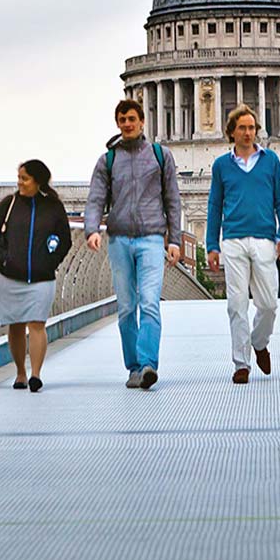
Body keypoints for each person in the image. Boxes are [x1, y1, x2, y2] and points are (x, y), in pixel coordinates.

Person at [83, 98, 183, 389]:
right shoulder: (107, 160)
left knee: (150, 302)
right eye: (122, 119)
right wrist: (92, 229)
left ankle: (149, 363)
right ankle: (134, 367)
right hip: (119, 240)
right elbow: (95, 199)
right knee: (127, 307)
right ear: (118, 123)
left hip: (152, 238)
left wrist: (174, 240)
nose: (127, 124)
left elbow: (172, 201)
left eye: (131, 119)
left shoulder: (160, 156)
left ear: (142, 122)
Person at [206, 106, 280, 383]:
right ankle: (241, 364)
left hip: (264, 238)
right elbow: (214, 206)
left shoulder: (271, 161)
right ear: (231, 132)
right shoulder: (221, 165)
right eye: (242, 128)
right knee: (236, 304)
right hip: (232, 239)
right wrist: (212, 244)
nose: (247, 133)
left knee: (268, 304)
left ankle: (259, 341)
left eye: (252, 127)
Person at [0, 159, 72, 393]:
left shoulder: (53, 207)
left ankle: (35, 374)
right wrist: (4, 258)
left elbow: (65, 239)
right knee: (15, 325)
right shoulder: (9, 203)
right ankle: (20, 372)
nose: (19, 182)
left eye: (25, 178)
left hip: (42, 277)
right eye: (19, 177)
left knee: (37, 323)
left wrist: (50, 261)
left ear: (37, 181)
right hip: (10, 275)